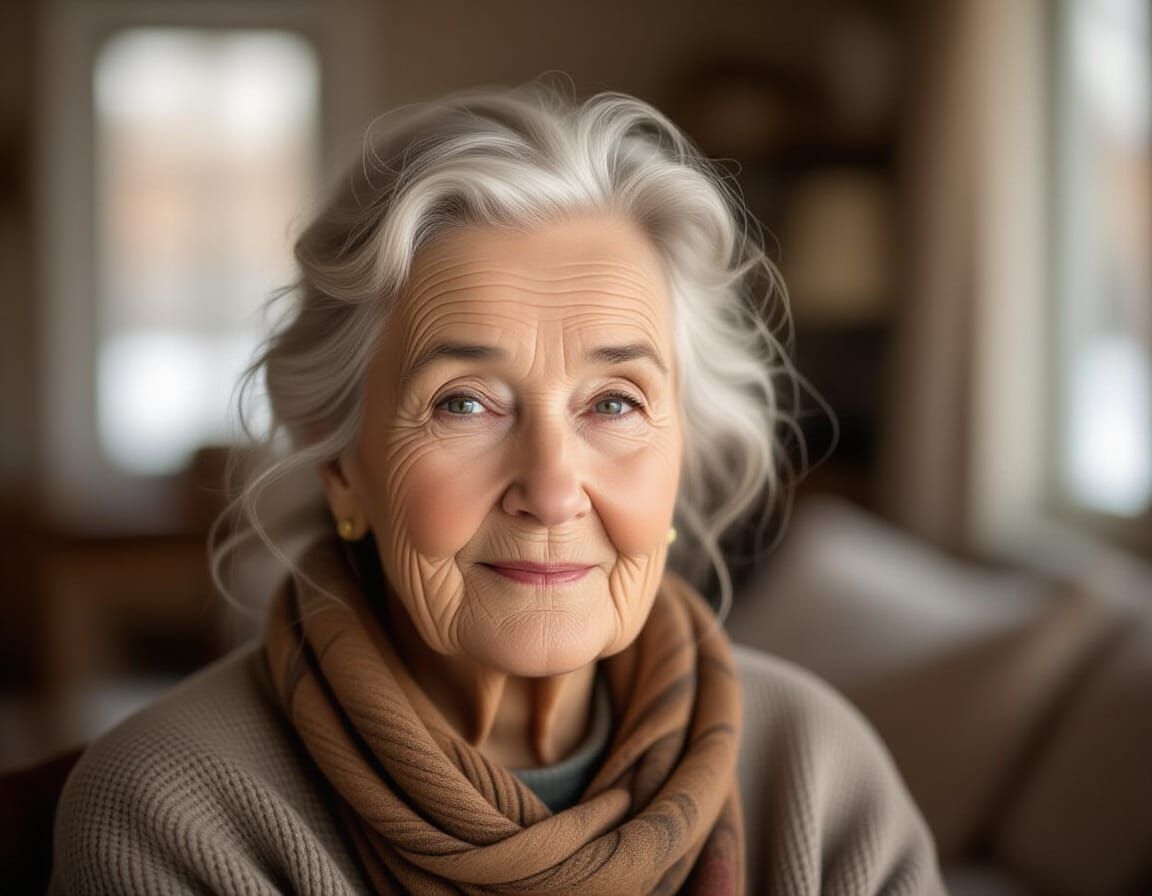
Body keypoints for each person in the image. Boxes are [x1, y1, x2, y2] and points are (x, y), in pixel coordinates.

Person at [50, 82, 945, 895]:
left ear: (681, 454)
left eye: (614, 402)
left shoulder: (818, 775)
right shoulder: (173, 814)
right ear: (342, 468)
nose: (552, 491)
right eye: (465, 402)